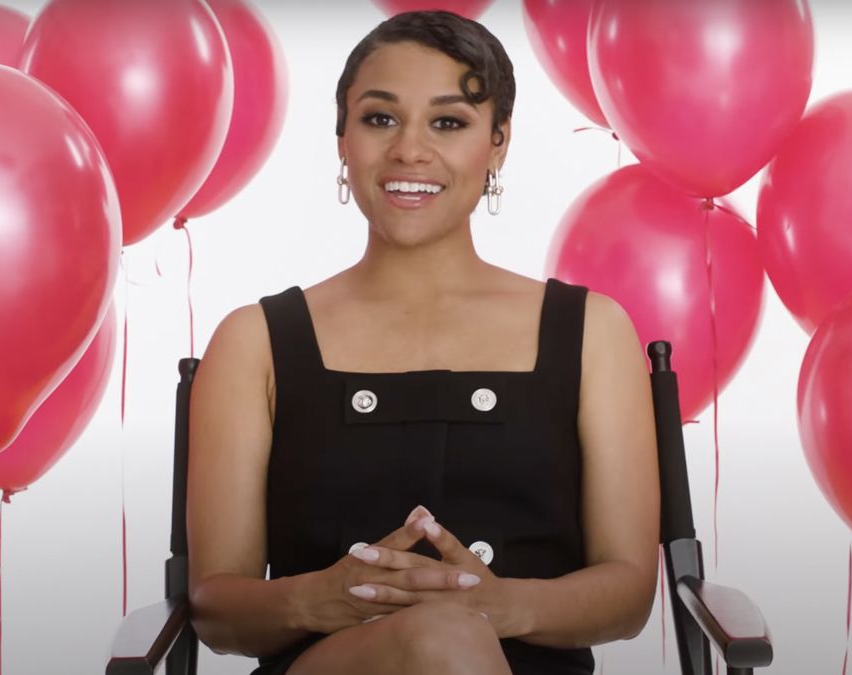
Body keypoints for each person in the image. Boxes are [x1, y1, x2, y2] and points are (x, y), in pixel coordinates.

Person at [185, 10, 658, 675]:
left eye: (448, 121)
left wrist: (497, 606)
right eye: (380, 118)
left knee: (447, 636)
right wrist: (321, 600)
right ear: (342, 139)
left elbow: (631, 593)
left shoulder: (593, 332)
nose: (409, 150)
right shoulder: (254, 341)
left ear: (498, 143)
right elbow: (215, 607)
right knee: (437, 639)